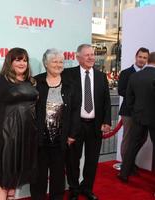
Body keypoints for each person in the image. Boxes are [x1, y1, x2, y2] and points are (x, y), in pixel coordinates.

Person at [0, 47, 39, 200]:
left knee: (17, 171)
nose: (22, 63)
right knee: (3, 172)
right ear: (10, 61)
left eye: (25, 60)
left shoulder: (31, 81)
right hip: (4, 135)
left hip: (26, 135)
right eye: (18, 60)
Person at [29, 49, 80, 200]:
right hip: (39, 139)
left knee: (58, 175)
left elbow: (76, 111)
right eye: (54, 61)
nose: (58, 65)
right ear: (46, 63)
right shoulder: (35, 82)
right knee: (38, 175)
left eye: (61, 62)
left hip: (61, 139)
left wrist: (72, 134)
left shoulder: (70, 84)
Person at [63, 44, 111, 200]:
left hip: (95, 126)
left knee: (92, 160)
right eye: (87, 55)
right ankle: (74, 189)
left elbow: (106, 101)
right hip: (75, 126)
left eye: (92, 54)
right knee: (72, 160)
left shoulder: (101, 76)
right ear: (78, 57)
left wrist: (106, 121)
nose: (91, 57)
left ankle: (87, 188)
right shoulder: (68, 75)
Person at [118, 52, 155, 183]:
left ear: (148, 60)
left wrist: (135, 111)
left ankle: (124, 174)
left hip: (138, 116)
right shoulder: (132, 74)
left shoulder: (135, 76)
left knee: (132, 144)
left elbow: (129, 98)